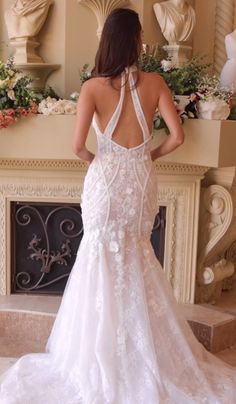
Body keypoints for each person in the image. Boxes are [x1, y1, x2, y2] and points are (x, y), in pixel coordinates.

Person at [0, 7, 235, 404]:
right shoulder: (156, 83)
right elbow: (177, 136)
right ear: (136, 40)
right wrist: (148, 157)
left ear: (107, 40)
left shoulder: (92, 87)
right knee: (138, 257)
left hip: (106, 182)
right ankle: (143, 354)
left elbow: (77, 147)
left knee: (99, 260)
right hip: (140, 181)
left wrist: (102, 164)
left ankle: (98, 355)